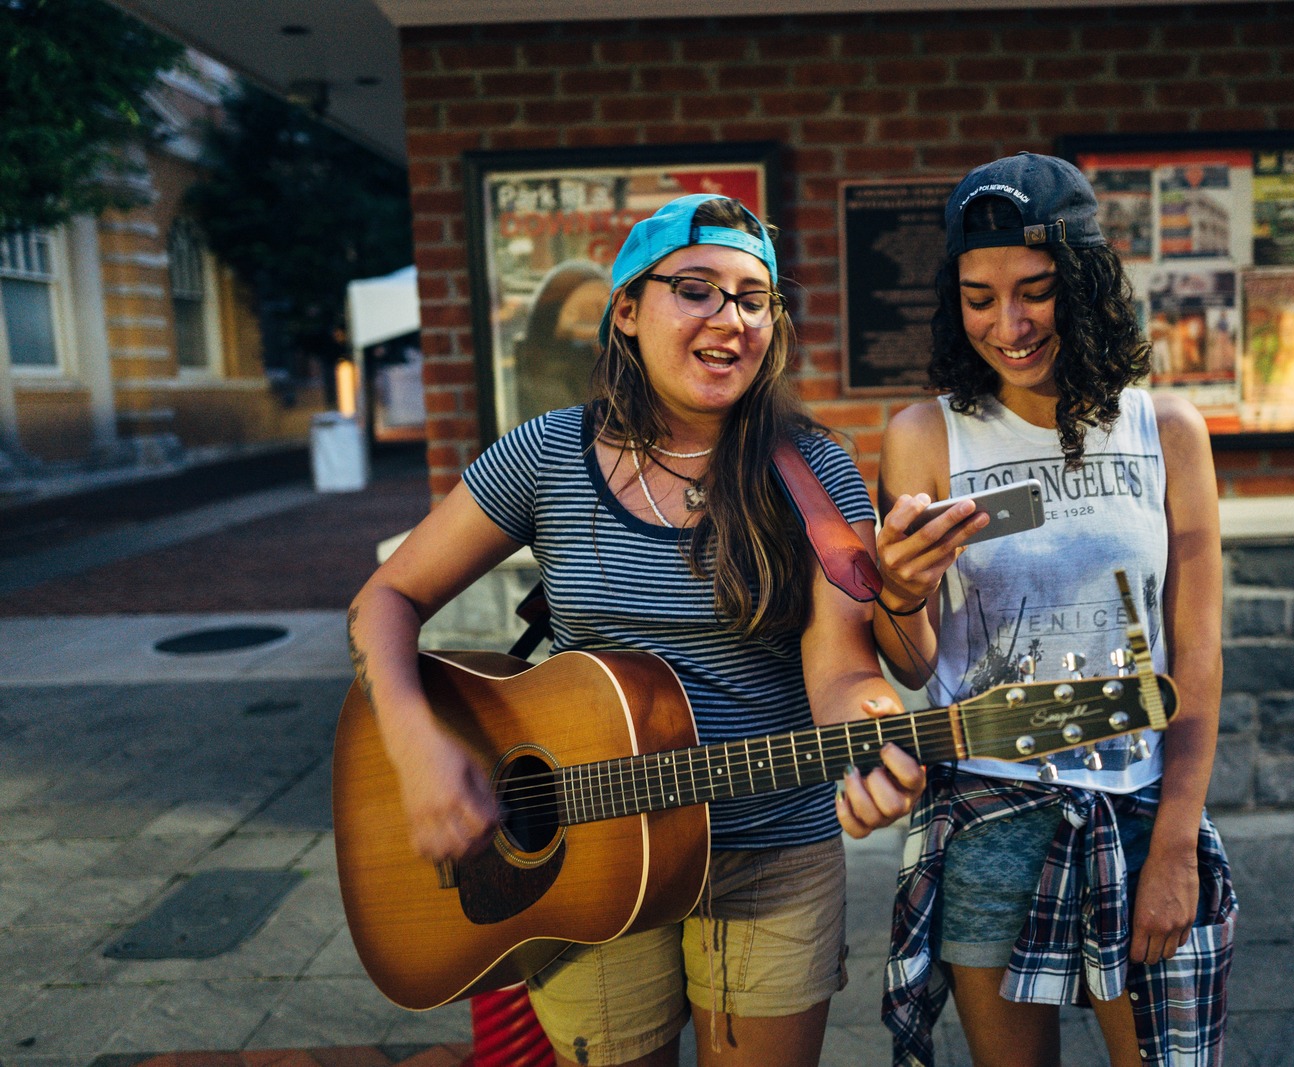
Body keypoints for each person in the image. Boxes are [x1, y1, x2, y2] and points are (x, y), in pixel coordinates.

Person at [346, 193, 925, 1067]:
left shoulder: (812, 471)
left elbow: (841, 668)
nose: (728, 318)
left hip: (767, 852)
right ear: (626, 310)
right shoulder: (548, 453)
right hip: (586, 856)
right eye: (695, 289)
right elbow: (385, 598)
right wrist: (415, 741)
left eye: (752, 297)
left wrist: (874, 729)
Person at [873, 154, 1236, 1067]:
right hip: (991, 812)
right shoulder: (925, 435)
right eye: (979, 296)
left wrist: (1178, 845)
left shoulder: (1169, 433)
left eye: (1036, 290)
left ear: (1086, 283)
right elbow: (914, 662)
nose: (1011, 323)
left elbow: (1196, 654)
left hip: (1138, 807)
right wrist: (902, 591)